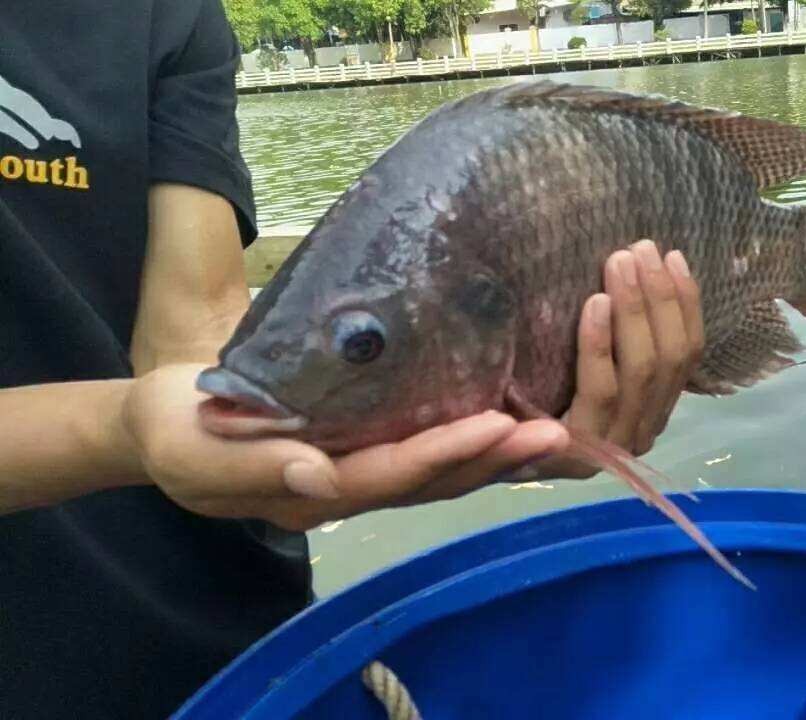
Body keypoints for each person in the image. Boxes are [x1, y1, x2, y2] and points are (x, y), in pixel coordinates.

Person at [0, 2, 703, 717]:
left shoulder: (168, 12)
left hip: (247, 648)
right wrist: (124, 429)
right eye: (362, 344)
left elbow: (192, 334)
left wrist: (231, 419)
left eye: (362, 344)